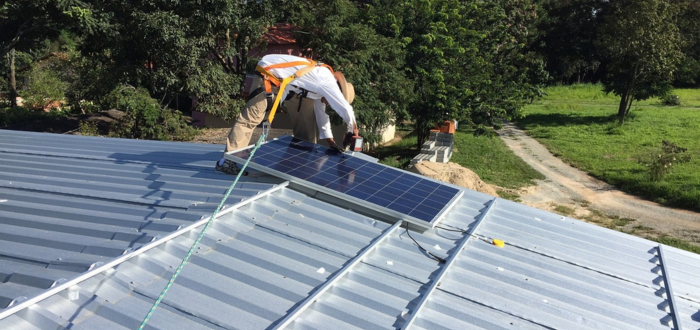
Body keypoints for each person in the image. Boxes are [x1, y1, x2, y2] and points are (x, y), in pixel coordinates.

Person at [216, 54, 359, 174]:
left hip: (287, 86)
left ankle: (300, 160)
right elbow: (345, 109)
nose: (329, 104)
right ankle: (227, 161)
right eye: (331, 101)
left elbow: (322, 116)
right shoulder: (326, 82)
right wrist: (354, 131)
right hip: (269, 74)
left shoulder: (320, 90)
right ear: (337, 91)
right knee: (251, 118)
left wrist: (331, 143)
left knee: (308, 113)